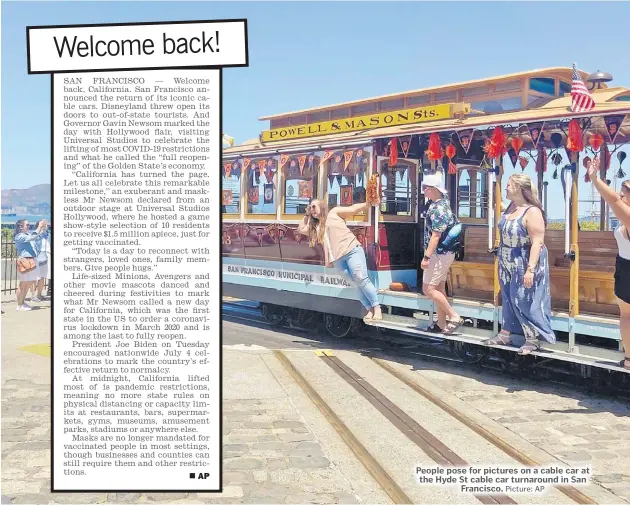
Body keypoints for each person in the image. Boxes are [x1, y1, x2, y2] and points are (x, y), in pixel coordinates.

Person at [483, 174, 555, 354]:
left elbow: (537, 242)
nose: (505, 188)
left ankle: (532, 338)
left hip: (524, 259)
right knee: (507, 296)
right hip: (507, 259)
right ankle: (506, 333)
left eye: (508, 185)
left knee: (523, 297)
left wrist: (530, 270)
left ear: (518, 188)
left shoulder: (532, 211)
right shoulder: (511, 207)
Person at [298, 198, 382, 321]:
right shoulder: (316, 227)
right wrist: (306, 215)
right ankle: (369, 309)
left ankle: (377, 307)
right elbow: (301, 229)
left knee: (360, 278)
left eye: (314, 207)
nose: (312, 210)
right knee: (355, 284)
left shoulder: (334, 213)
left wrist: (368, 204)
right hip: (338, 260)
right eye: (310, 208)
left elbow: (353, 209)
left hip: (352, 250)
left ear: (322, 206)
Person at [586, 156, 630, 369]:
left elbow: (612, 200)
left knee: (627, 315)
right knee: (626, 315)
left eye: (625, 193)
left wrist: (595, 179)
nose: (621, 196)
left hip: (627, 268)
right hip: (624, 266)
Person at [421, 171, 463, 335]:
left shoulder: (438, 209)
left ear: (434, 189)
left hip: (439, 254)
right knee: (439, 288)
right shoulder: (441, 204)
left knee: (428, 290)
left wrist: (426, 257)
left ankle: (454, 316)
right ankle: (441, 323)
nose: (424, 190)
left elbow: (435, 236)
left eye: (426, 188)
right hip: (444, 254)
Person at [14, 219, 47, 311]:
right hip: (25, 260)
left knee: (28, 283)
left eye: (29, 225)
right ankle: (19, 305)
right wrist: (39, 227)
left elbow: (39, 237)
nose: (29, 227)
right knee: (23, 284)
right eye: (27, 225)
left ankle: (22, 302)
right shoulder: (19, 236)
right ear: (21, 226)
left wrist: (43, 229)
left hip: (32, 260)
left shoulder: (28, 235)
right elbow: (33, 237)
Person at [31, 220, 50, 302]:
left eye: (45, 225)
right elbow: (33, 240)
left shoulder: (46, 234)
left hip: (45, 256)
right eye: (43, 225)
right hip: (38, 256)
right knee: (35, 277)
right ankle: (33, 295)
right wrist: (40, 227)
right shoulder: (35, 234)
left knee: (42, 277)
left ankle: (39, 294)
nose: (45, 226)